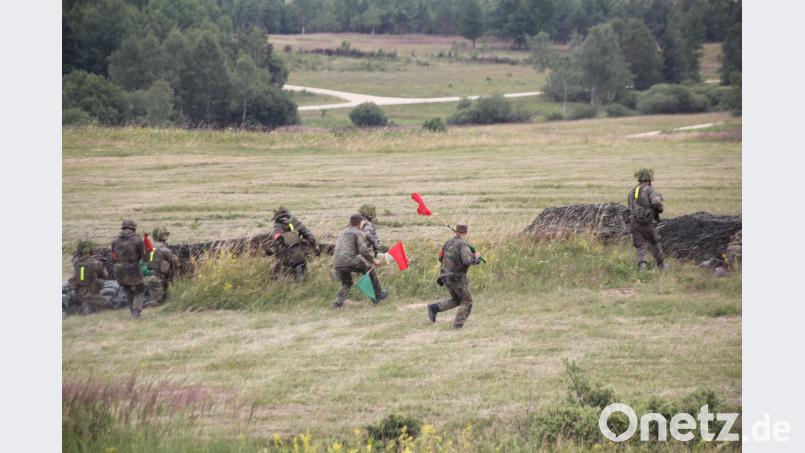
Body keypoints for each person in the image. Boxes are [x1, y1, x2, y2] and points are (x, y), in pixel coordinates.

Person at [427, 224, 482, 329]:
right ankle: (458, 324)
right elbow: (467, 260)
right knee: (467, 301)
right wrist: (477, 258)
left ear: (456, 231)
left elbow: (440, 258)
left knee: (457, 299)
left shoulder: (447, 243)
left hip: (445, 276)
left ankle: (434, 308)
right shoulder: (463, 244)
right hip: (457, 277)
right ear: (465, 232)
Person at [332, 213, 388, 308]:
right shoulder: (357, 233)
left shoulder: (344, 232)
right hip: (349, 260)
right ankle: (378, 295)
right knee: (369, 268)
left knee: (347, 282)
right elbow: (363, 250)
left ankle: (338, 302)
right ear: (360, 223)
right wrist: (373, 260)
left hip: (337, 261)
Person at [626, 169, 666, 271]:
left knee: (640, 246)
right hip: (647, 223)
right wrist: (659, 209)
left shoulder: (632, 191)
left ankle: (642, 267)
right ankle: (661, 265)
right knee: (654, 242)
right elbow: (656, 203)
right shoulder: (650, 190)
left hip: (634, 222)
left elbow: (630, 207)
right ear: (649, 180)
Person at [268, 207, 318, 282]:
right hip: (301, 253)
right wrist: (314, 246)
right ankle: (300, 276)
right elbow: (309, 235)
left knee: (277, 269)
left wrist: (271, 249)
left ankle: (278, 278)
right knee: (301, 270)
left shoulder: (278, 225)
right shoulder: (295, 222)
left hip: (286, 255)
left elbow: (277, 239)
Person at [111, 219, 146, 318]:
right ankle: (135, 312)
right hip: (133, 269)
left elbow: (113, 257)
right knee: (140, 290)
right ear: (133, 228)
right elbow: (143, 255)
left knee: (127, 290)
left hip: (119, 271)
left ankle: (132, 312)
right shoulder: (137, 240)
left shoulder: (115, 241)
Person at [68, 240, 110, 315]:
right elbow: (105, 276)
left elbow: (77, 277)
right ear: (89, 251)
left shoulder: (76, 263)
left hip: (78, 295)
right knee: (109, 306)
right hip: (93, 296)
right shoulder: (96, 263)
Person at [143, 226, 180, 305]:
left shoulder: (148, 247)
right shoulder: (163, 249)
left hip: (146, 279)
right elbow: (175, 262)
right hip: (158, 281)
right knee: (157, 302)